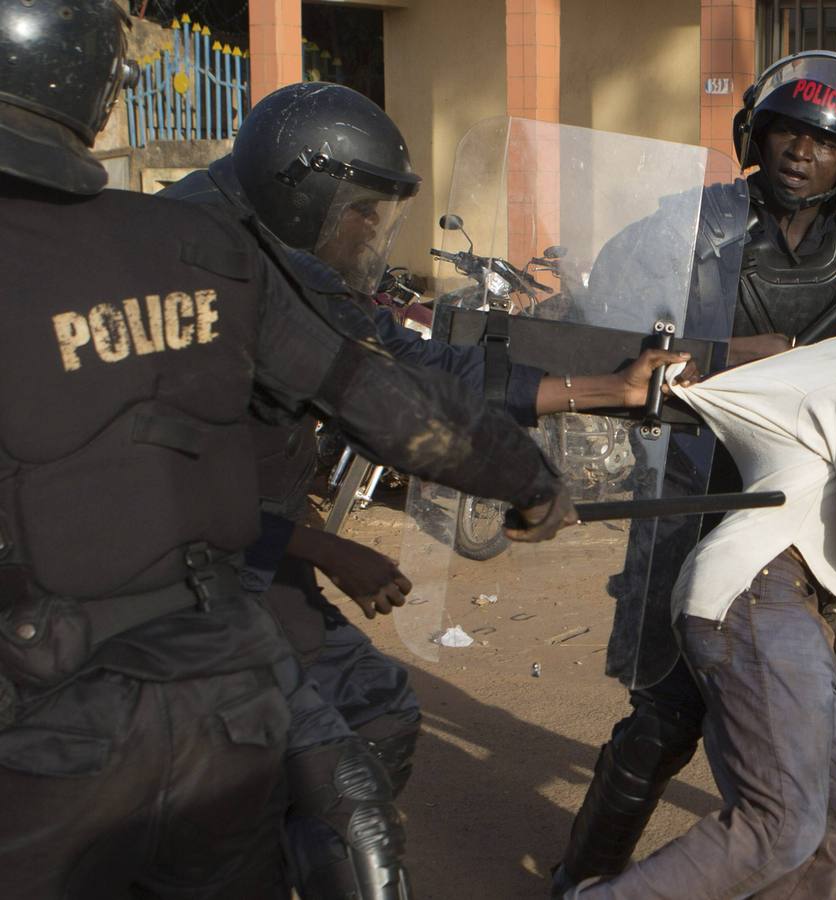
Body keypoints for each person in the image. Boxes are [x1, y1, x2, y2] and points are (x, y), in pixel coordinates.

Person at [0, 3, 575, 897]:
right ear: (98, 93)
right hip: (221, 688)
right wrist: (529, 481)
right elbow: (382, 398)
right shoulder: (195, 246)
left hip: (42, 714)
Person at [161, 81, 694, 898]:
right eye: (364, 212)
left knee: (376, 714)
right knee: (327, 794)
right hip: (180, 581)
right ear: (307, 192)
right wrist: (510, 481)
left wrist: (605, 388)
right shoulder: (210, 275)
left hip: (255, 553)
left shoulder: (276, 244)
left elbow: (414, 364)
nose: (374, 232)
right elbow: (173, 493)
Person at [556, 51, 836, 900]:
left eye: (825, 141)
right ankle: (584, 875)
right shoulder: (684, 228)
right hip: (703, 483)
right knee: (666, 706)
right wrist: (726, 356)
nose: (802, 152)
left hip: (834, 492)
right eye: (787, 131)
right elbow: (612, 337)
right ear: (755, 135)